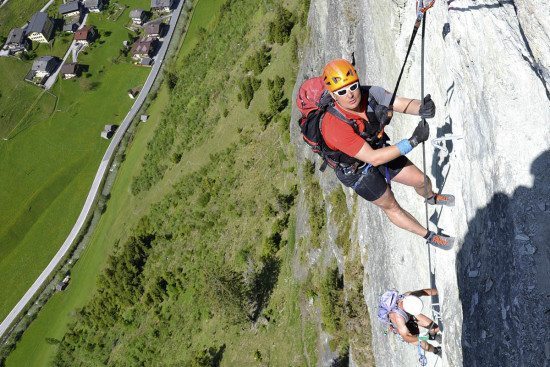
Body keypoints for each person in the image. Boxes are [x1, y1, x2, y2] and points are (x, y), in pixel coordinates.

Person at [320, 59, 454, 248]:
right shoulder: (334, 126)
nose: (350, 95)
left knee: (421, 180)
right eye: (342, 92)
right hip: (356, 171)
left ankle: (430, 196)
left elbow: (400, 103)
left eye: (353, 87)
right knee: (391, 205)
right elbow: (373, 159)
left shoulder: (371, 94)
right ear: (333, 96)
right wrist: (413, 141)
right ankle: (430, 236)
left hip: (377, 149)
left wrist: (422, 107)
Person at [388, 288, 441, 355]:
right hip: (403, 328)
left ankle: (432, 336)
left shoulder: (409, 296)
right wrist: (423, 337)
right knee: (425, 346)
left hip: (409, 316)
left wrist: (439, 291)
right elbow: (406, 337)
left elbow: (422, 292)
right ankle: (436, 350)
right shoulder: (398, 319)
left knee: (435, 328)